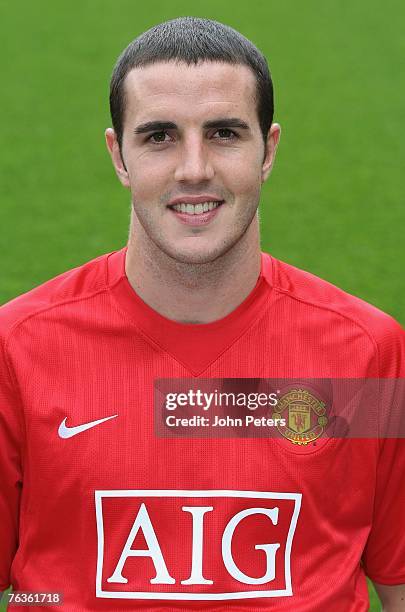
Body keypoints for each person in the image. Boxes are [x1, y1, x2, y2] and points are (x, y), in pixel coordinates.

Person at [0, 16, 404, 611]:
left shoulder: (366, 352)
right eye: (159, 136)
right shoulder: (18, 348)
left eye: (223, 133)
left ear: (267, 150)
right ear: (119, 155)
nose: (194, 168)